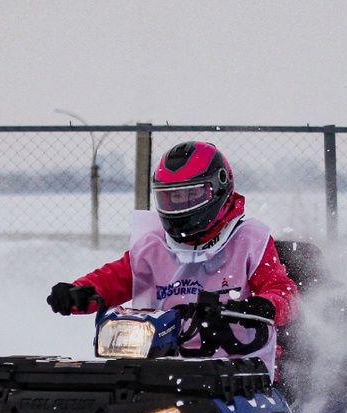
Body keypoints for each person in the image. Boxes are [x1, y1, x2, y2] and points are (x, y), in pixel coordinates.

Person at [46, 140, 299, 379]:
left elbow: (284, 293)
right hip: (165, 370)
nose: (181, 205)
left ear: (220, 187)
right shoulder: (153, 247)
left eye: (192, 195)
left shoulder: (250, 240)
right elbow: (116, 277)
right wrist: (77, 293)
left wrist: (253, 308)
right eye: (172, 197)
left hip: (245, 372)